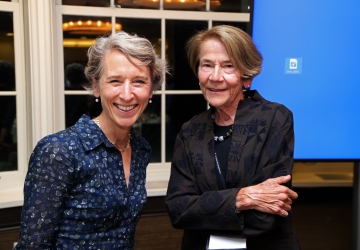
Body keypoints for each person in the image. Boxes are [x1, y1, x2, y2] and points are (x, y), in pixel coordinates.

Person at [15, 31, 167, 249]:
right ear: (96, 86)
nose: (126, 94)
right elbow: (33, 245)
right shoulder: (59, 151)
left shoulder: (141, 149)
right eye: (115, 80)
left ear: (151, 89)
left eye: (139, 81)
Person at [165, 25, 300, 249]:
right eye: (207, 65)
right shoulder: (189, 131)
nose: (215, 77)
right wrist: (241, 198)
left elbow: (266, 218)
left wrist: (204, 211)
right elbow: (178, 210)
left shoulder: (275, 119)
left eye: (228, 66)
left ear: (246, 76)